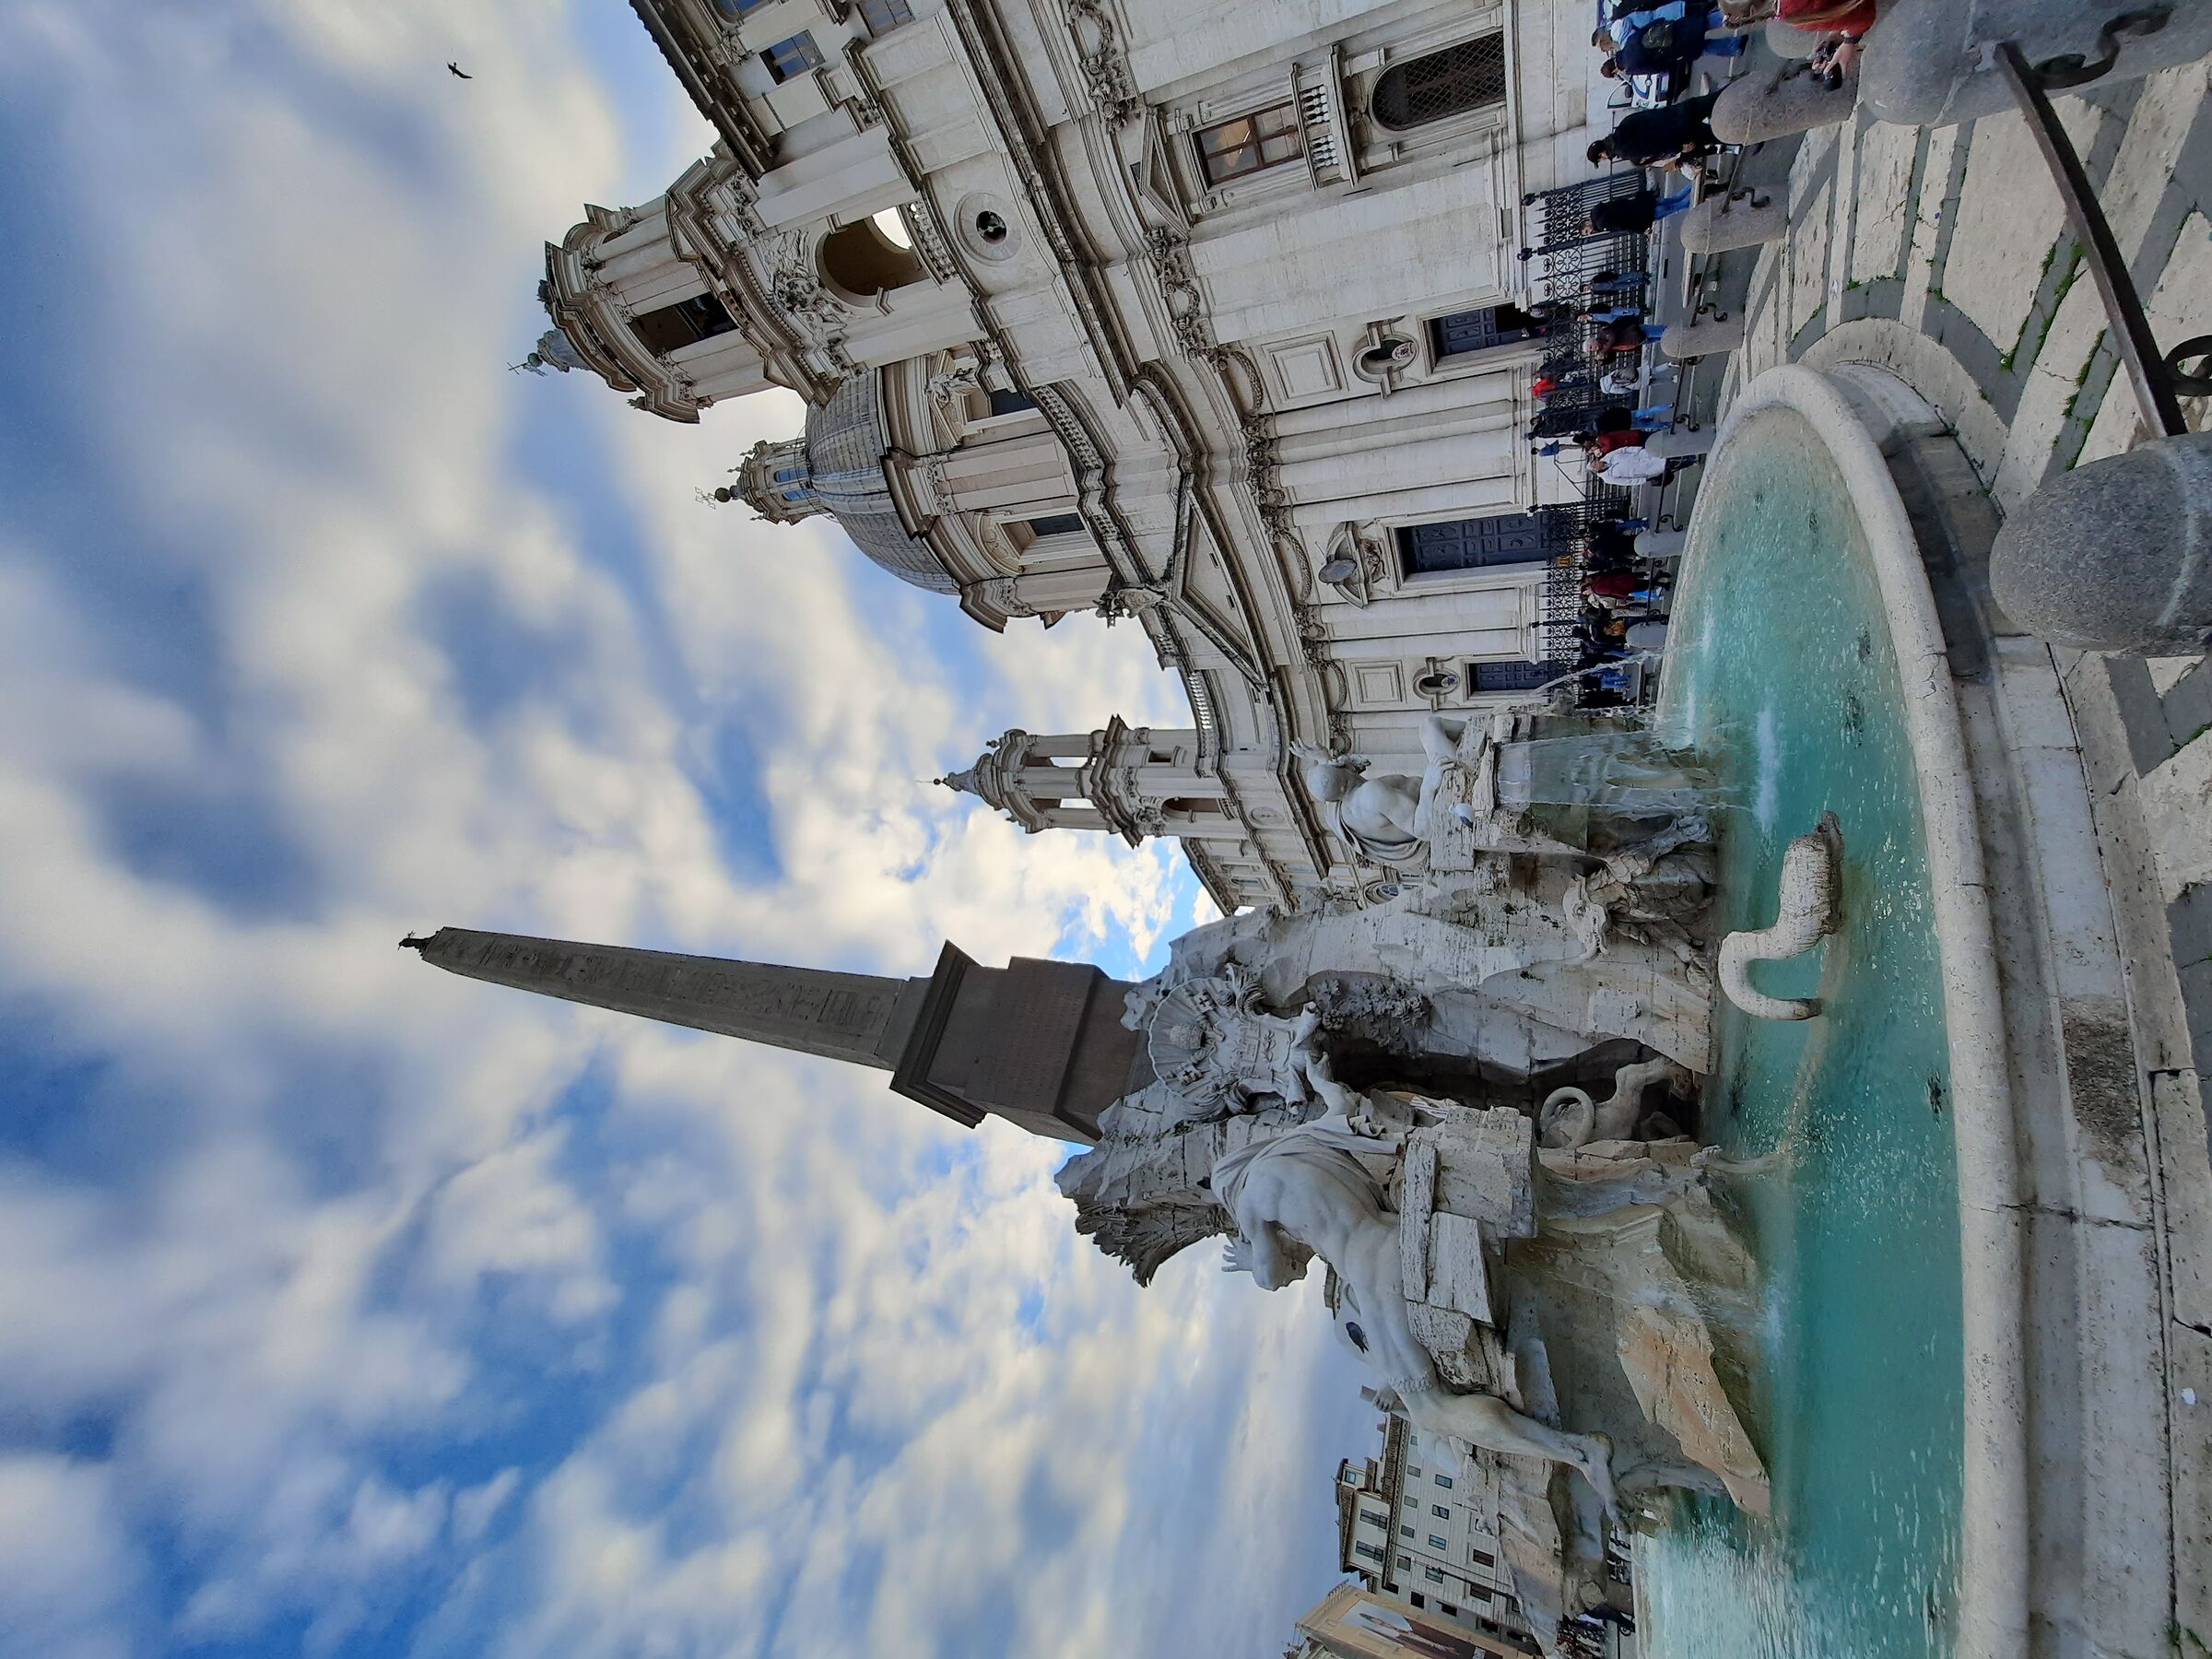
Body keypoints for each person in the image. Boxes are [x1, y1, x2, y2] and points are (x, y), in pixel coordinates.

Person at [1589, 89, 1723, 169]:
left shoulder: (1624, 150)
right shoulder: (1624, 124)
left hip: (1681, 134)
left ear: (1602, 154)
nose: (1604, 160)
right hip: (1678, 112)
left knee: (1720, 134)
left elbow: (1656, 145)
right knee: (1716, 99)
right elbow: (1650, 114)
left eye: (1601, 159)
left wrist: (1679, 148)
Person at [1583, 185, 1695, 235]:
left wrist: (1642, 231)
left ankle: (1700, 198)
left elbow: (1624, 226)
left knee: (1675, 207)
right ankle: (1693, 184)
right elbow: (1620, 201)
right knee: (1674, 199)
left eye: (1587, 231)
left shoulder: (1602, 224)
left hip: (1644, 215)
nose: (1590, 233)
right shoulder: (1598, 209)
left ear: (1587, 222)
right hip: (1642, 203)